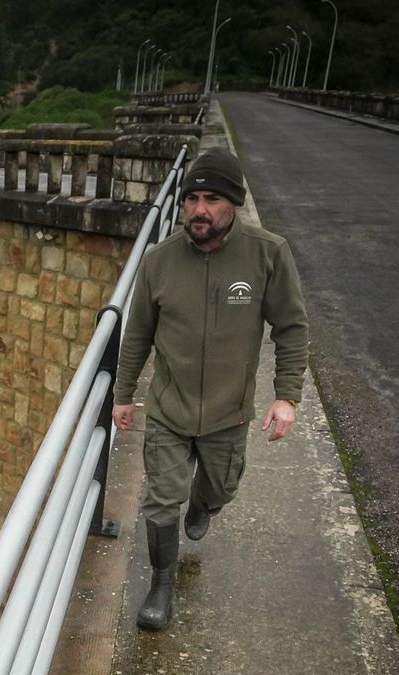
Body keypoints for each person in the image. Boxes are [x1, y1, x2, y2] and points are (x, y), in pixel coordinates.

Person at [110, 148, 309, 630]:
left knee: (221, 487)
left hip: (228, 412)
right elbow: (137, 333)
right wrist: (122, 394)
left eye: (212, 199)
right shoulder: (159, 262)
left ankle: (204, 503)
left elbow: (291, 326)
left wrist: (287, 395)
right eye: (192, 198)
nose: (199, 209)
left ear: (234, 204)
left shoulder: (268, 253)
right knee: (161, 497)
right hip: (169, 408)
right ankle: (161, 585)